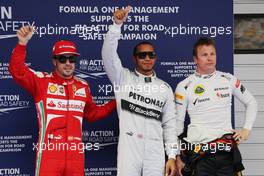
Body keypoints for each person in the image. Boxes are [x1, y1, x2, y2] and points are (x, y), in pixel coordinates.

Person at [9, 25, 116, 176]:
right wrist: (22, 44)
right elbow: (17, 71)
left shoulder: (82, 86)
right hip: (49, 153)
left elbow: (93, 114)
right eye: (62, 58)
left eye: (71, 58)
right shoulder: (42, 82)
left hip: (75, 155)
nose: (68, 63)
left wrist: (117, 101)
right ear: (54, 61)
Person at [102, 6, 179, 176]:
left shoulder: (164, 88)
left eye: (151, 55)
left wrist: (172, 155)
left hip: (155, 151)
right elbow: (108, 55)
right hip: (129, 149)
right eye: (142, 55)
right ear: (134, 58)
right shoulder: (122, 78)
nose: (147, 58)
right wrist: (116, 25)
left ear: (155, 57)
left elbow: (170, 125)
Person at [175, 37, 258, 176]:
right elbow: (176, 125)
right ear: (195, 59)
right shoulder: (184, 85)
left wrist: (246, 130)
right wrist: (176, 156)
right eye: (204, 54)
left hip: (227, 154)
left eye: (212, 54)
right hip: (199, 155)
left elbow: (252, 102)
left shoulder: (228, 79)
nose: (209, 58)